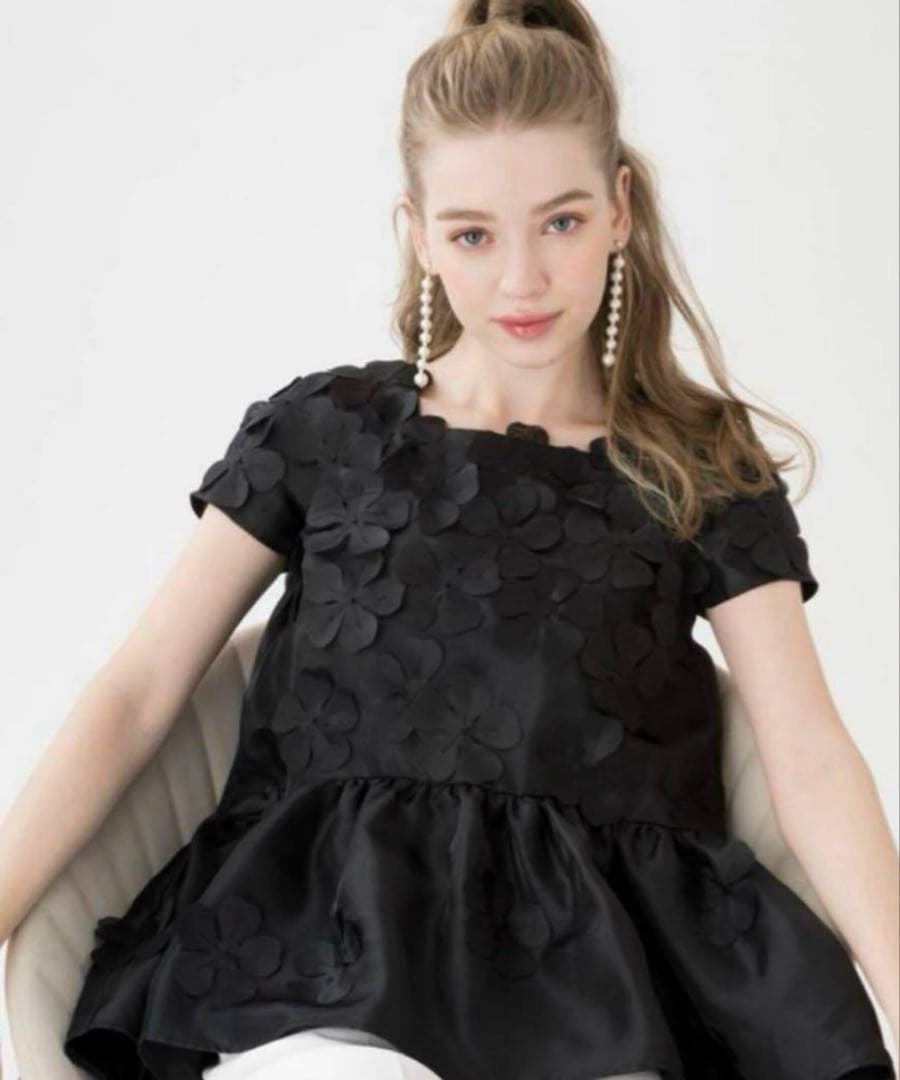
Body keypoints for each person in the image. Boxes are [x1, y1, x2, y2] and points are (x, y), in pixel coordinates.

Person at [0, 0, 896, 1077]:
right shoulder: (327, 433)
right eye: (473, 234)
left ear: (619, 210)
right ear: (419, 234)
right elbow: (140, 688)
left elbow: (809, 755)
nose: (521, 280)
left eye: (561, 223)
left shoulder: (698, 464)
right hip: (319, 961)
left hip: (599, 986)